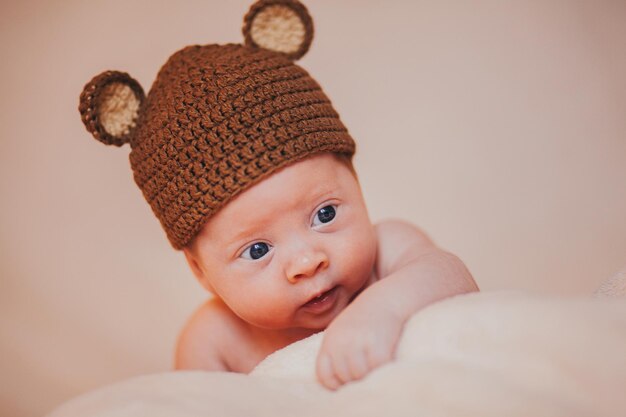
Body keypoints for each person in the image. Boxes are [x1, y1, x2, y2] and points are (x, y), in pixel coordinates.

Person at [78, 0, 478, 390]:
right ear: (200, 271)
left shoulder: (390, 252)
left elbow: (453, 276)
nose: (306, 262)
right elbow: (194, 405)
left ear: (355, 182)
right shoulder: (215, 340)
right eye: (257, 250)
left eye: (324, 214)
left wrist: (383, 310)